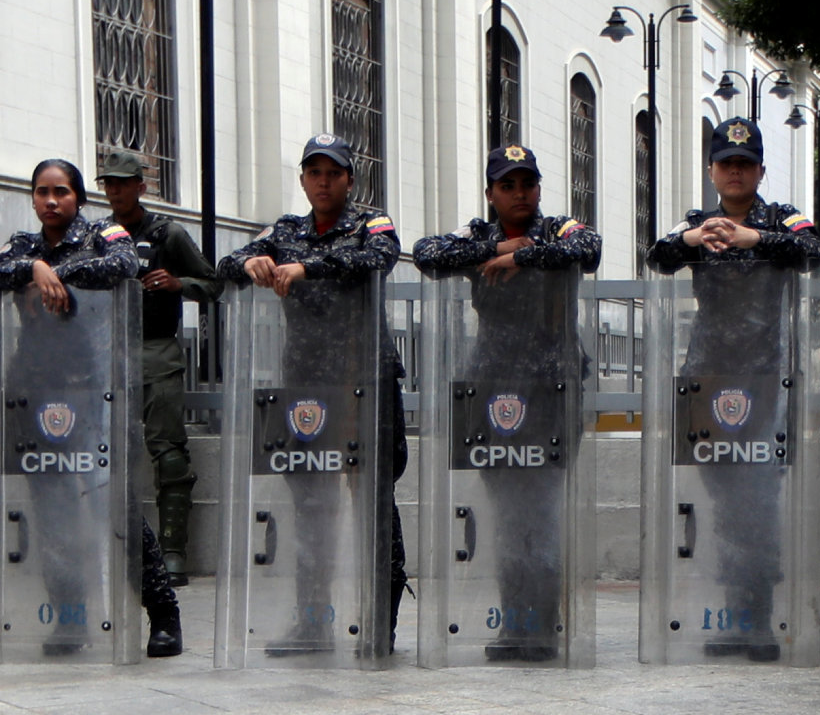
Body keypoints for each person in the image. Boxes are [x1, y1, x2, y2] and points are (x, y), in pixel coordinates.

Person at [412, 141, 604, 662]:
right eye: (508, 185)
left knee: (539, 513)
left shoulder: (559, 229)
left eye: (528, 184)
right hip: (493, 394)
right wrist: (493, 252)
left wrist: (522, 256)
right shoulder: (478, 236)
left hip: (550, 394)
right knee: (506, 515)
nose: (520, 193)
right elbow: (428, 254)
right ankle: (513, 619)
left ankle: (540, 625)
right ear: (492, 192)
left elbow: (588, 249)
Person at [0, 160, 177, 657]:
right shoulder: (24, 246)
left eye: (62, 192)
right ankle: (70, 616)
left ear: (78, 198)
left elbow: (124, 264)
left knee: (117, 507)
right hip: (36, 394)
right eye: (42, 192)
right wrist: (34, 267)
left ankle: (162, 614)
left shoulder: (102, 234)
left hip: (93, 393)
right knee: (53, 513)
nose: (51, 201)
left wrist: (55, 272)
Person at [646, 117, 820, 659]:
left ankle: (759, 619)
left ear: (760, 170)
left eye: (745, 164)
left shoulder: (782, 217)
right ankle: (733, 615)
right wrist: (692, 238)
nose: (735, 172)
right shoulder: (700, 222)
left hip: (768, 377)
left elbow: (813, 249)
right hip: (710, 380)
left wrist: (756, 239)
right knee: (724, 500)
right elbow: (657, 255)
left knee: (761, 499)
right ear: (712, 171)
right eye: (726, 164)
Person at [225, 135, 406, 656]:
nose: (324, 181)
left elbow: (379, 257)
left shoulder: (371, 222)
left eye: (334, 172)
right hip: (306, 390)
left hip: (365, 381)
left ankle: (378, 625)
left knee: (373, 502)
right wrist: (250, 265)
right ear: (303, 179)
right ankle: (312, 621)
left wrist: (308, 267)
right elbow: (227, 262)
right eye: (314, 172)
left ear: (350, 179)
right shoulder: (284, 231)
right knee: (310, 506)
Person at [98, 146, 215, 587]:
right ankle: (109, 545)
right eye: (108, 184)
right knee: (102, 455)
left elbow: (213, 282)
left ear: (140, 187)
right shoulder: (98, 234)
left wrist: (176, 283)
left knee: (168, 454)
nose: (114, 191)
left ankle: (172, 552)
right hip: (106, 353)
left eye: (122, 183)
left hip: (156, 350)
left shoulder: (167, 234)